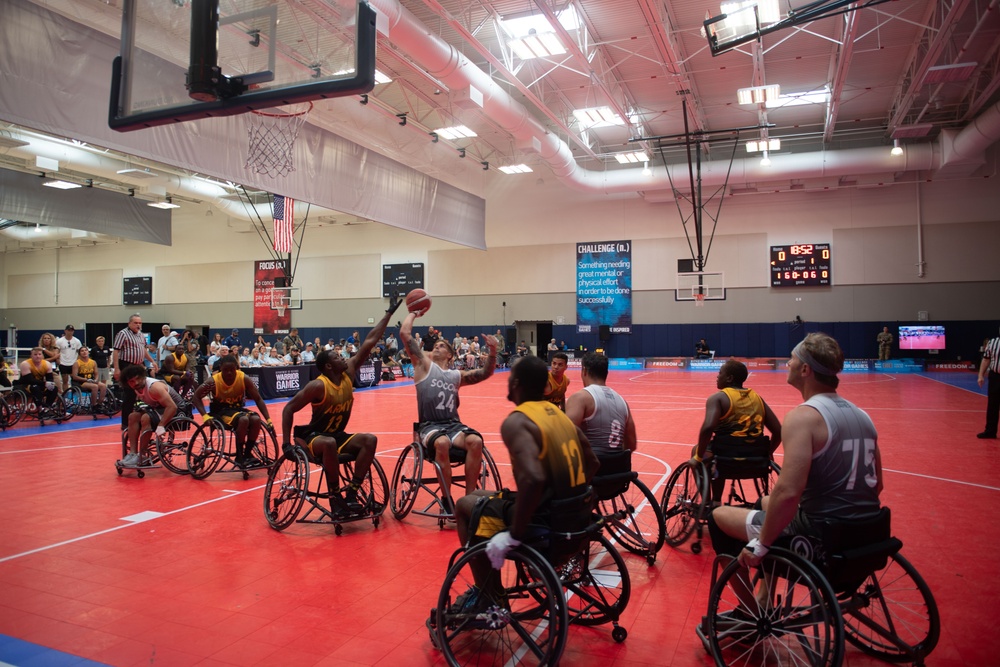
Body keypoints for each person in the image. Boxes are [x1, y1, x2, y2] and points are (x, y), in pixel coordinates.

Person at [711, 333, 882, 576]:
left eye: (791, 359)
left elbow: (789, 493)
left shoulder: (803, 418)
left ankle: (745, 606)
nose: (787, 364)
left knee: (718, 516)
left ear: (804, 370)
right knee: (763, 502)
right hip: (866, 530)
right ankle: (764, 597)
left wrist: (761, 546)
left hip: (821, 534)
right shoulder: (863, 416)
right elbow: (878, 485)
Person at [451, 355, 600, 605]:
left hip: (546, 522)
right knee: (476, 497)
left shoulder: (518, 421)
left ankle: (489, 595)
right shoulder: (560, 415)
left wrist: (514, 535)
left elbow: (532, 479)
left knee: (465, 507)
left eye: (510, 379)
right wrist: (571, 496)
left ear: (516, 383)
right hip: (578, 516)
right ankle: (488, 589)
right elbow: (593, 463)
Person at [281, 299, 402, 514]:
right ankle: (335, 497)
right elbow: (288, 408)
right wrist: (285, 444)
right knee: (327, 442)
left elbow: (370, 341)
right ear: (328, 366)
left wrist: (388, 314)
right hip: (314, 437)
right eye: (338, 357)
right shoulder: (318, 386)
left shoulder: (349, 372)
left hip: (337, 435)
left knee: (369, 440)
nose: (343, 357)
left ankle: (353, 492)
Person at [401, 308, 499, 512]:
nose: (436, 347)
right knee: (442, 443)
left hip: (453, 425)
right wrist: (413, 314)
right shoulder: (423, 365)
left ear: (450, 354)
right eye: (434, 345)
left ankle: (470, 499)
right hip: (429, 426)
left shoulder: (457, 376)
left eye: (441, 346)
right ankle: (446, 499)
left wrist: (492, 351)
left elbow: (485, 372)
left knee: (476, 441)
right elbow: (405, 335)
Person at [689, 359, 782, 503]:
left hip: (726, 457)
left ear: (729, 378)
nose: (717, 376)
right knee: (719, 452)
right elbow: (779, 431)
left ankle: (709, 503)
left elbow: (708, 428)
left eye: (720, 373)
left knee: (700, 451)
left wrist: (698, 458)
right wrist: (768, 452)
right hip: (756, 458)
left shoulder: (718, 398)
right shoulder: (758, 398)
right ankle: (716, 501)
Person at [193, 355, 273, 468]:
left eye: (232, 370)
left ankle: (247, 453)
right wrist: (204, 416)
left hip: (237, 409)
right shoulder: (213, 381)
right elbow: (196, 397)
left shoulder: (243, 378)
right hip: (220, 412)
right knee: (244, 419)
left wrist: (268, 419)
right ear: (221, 368)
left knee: (256, 419)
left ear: (236, 367)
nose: (229, 373)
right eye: (226, 370)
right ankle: (239, 456)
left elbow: (258, 399)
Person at [566, 351, 636, 461]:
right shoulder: (623, 402)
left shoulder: (580, 398)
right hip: (618, 472)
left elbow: (563, 436)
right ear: (606, 373)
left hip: (590, 472)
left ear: (584, 371)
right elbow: (631, 445)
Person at [119, 364, 189, 467]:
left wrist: (161, 425)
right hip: (160, 407)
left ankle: (142, 455)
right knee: (132, 416)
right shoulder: (137, 388)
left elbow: (172, 407)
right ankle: (133, 454)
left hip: (178, 409)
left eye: (138, 379)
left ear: (143, 376)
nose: (136, 383)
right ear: (127, 383)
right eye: (132, 382)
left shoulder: (154, 387)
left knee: (146, 418)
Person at [113, 314, 159, 429]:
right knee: (130, 395)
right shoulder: (123, 334)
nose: (138, 325)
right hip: (126, 365)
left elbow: (143, 350)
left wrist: (152, 361)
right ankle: (125, 424)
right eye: (135, 323)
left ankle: (137, 420)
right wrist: (117, 369)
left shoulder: (141, 335)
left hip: (138, 366)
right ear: (129, 323)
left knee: (141, 394)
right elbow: (116, 351)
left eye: (140, 323)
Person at [17, 347, 60, 413]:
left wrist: (50, 384)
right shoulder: (25, 364)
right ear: (31, 356)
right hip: (27, 384)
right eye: (35, 354)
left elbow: (50, 378)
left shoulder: (47, 364)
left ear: (42, 356)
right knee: (35, 388)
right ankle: (40, 408)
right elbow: (29, 380)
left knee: (54, 388)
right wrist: (45, 383)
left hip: (40, 383)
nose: (38, 356)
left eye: (39, 354)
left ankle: (47, 408)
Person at [977, 327, 1000, 439]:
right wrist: (981, 375)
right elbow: (986, 359)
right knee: (992, 405)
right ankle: (990, 431)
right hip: (996, 376)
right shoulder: (993, 342)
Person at [56, 325, 82, 394]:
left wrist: (78, 362)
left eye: (72, 330)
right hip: (63, 363)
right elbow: (57, 352)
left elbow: (79, 352)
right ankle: (65, 395)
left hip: (73, 363)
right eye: (69, 330)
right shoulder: (60, 341)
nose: (70, 332)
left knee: (74, 380)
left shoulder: (77, 341)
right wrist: (58, 361)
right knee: (65, 381)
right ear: (65, 331)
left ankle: (74, 394)